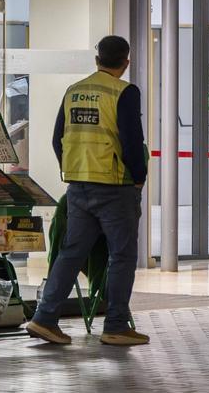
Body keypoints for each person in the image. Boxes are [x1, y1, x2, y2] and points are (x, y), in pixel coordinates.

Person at [26, 35, 149, 347]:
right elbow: (133, 141)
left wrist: (73, 167)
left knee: (71, 252)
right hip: (115, 187)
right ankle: (116, 325)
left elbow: (57, 138)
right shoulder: (125, 92)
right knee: (122, 256)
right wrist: (139, 177)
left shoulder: (74, 90)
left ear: (97, 60)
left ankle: (44, 318)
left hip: (78, 186)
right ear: (126, 62)